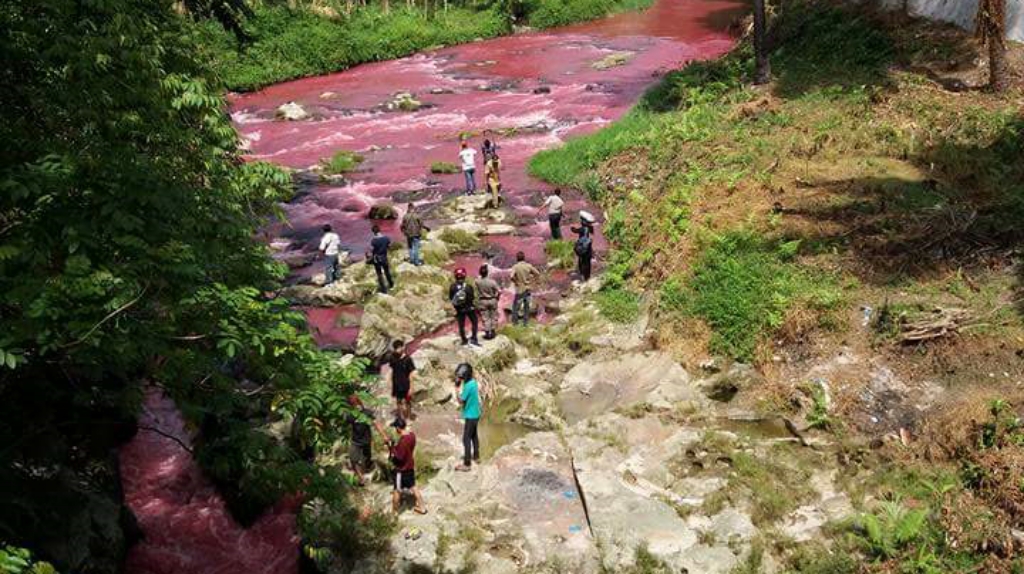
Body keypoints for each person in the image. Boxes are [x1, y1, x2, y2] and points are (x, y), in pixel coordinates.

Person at [346, 394, 387, 486]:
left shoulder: (367, 413)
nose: (356, 407)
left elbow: (376, 424)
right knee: (353, 459)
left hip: (366, 441)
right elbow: (348, 427)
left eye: (357, 404)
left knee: (366, 460)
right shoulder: (351, 415)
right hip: (355, 441)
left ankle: (364, 474)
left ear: (359, 403)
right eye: (353, 405)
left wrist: (384, 436)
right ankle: (361, 478)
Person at [389, 417, 427, 515]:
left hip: (401, 470)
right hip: (410, 467)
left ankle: (394, 513)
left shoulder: (403, 442)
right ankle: (422, 508)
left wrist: (392, 447)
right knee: (413, 487)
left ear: (398, 428)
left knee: (397, 490)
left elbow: (399, 457)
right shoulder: (412, 436)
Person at [454, 363, 481, 471]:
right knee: (474, 435)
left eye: (460, 377)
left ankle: (467, 464)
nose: (459, 378)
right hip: (476, 414)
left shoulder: (468, 386)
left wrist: (456, 389)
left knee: (466, 439)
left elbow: (461, 401)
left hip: (470, 416)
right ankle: (476, 456)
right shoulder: (473, 382)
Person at [449, 267, 480, 347]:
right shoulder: (468, 287)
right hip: (470, 308)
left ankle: (464, 340)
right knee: (474, 322)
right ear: (464, 276)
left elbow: (451, 298)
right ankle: (474, 338)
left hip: (459, 310)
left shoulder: (452, 287)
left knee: (461, 325)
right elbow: (472, 297)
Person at [510, 251, 541, 326]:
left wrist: (516, 282)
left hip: (520, 289)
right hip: (528, 288)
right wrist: (535, 281)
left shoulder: (515, 267)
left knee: (515, 307)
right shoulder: (529, 266)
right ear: (524, 258)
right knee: (526, 307)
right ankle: (525, 323)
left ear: (517, 258)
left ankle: (515, 323)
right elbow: (537, 273)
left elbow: (511, 276)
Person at [389, 339, 415, 421]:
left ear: (402, 347)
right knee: (398, 400)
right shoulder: (393, 358)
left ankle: (408, 415)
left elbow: (411, 373)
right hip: (397, 384)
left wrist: (411, 387)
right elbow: (392, 370)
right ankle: (401, 417)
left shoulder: (408, 359)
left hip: (405, 384)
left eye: (399, 348)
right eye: (396, 348)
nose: (397, 350)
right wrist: (390, 383)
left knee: (407, 401)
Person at [475, 264, 500, 340]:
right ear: (487, 273)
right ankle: (493, 332)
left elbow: (476, 286)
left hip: (483, 300)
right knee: (493, 316)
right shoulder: (492, 282)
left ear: (480, 273)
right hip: (492, 299)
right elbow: (499, 291)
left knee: (485, 317)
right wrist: (497, 298)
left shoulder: (477, 281)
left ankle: (487, 333)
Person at [571, 212, 596, 282]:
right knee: (587, 262)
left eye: (581, 221)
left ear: (583, 222)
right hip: (588, 248)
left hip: (583, 247)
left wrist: (572, 228)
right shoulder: (589, 228)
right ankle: (587, 277)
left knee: (582, 261)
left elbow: (575, 230)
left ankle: (583, 276)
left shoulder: (583, 229)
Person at [369, 224, 394, 294]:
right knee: (387, 272)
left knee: (379, 274)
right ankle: (391, 285)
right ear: (380, 230)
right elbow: (389, 246)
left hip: (376, 259)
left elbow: (372, 249)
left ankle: (383, 289)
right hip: (384, 257)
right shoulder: (386, 238)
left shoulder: (373, 241)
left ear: (373, 232)